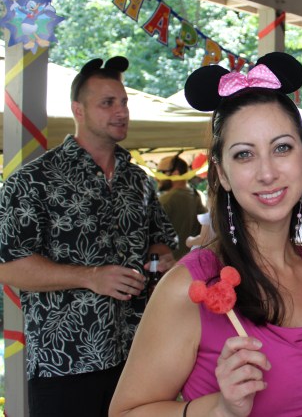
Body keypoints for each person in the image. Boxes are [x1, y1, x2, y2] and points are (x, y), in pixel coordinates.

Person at [110, 53, 302, 417]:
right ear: (222, 173)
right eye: (244, 155)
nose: (267, 172)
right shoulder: (188, 287)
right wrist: (220, 408)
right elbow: (126, 413)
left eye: (282, 148)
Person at [0, 56, 177, 417]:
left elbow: (160, 239)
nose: (121, 111)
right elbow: (9, 265)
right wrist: (90, 277)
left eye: (124, 102)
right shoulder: (34, 180)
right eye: (107, 103)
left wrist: (161, 258)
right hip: (66, 360)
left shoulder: (138, 181)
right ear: (78, 110)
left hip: (139, 355)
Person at [156, 154, 208, 259]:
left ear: (175, 173)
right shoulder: (195, 196)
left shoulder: (166, 200)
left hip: (167, 264)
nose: (156, 177)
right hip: (190, 262)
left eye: (160, 172)